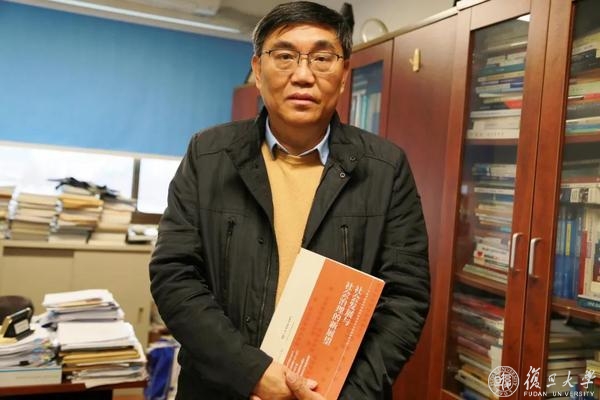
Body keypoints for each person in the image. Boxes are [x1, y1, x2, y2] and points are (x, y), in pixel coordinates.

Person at [149, 2, 430, 399]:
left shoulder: (386, 168)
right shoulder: (208, 154)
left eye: (322, 58)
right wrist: (251, 373)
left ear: (344, 74)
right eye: (284, 56)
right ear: (258, 69)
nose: (303, 75)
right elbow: (174, 275)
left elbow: (405, 299)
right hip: (221, 389)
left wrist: (345, 395)